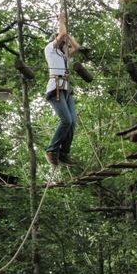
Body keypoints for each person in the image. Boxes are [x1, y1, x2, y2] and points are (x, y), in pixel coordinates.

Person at [44, 14, 80, 166]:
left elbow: (77, 47)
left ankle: (64, 152)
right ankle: (51, 150)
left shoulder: (64, 55)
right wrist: (61, 22)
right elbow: (62, 33)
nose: (65, 43)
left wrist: (68, 36)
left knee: (72, 122)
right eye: (62, 40)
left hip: (66, 90)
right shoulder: (50, 49)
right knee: (66, 120)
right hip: (56, 88)